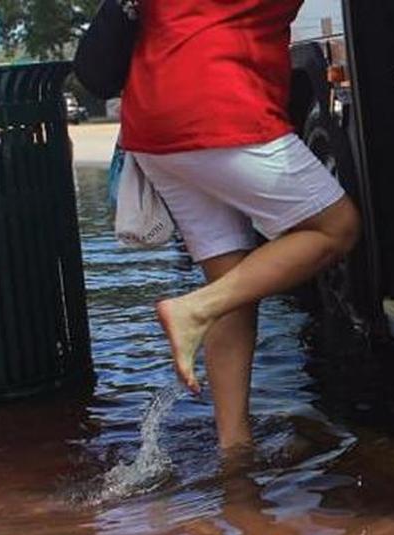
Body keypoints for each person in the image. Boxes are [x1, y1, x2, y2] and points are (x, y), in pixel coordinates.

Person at [119, 0, 360, 449]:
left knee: (232, 286)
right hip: (217, 111)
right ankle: (190, 309)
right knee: (337, 226)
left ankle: (234, 450)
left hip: (153, 119)